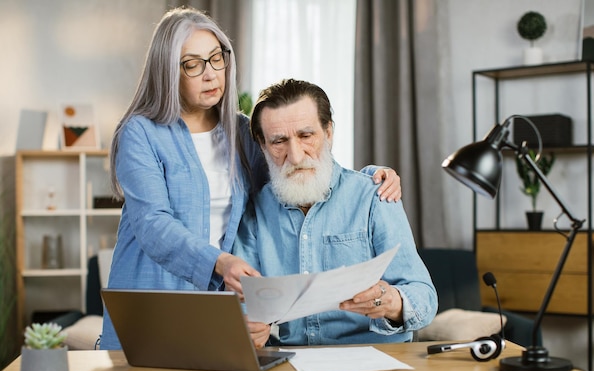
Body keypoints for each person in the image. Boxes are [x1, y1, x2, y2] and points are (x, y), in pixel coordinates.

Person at [100, 6, 402, 350]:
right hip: (152, 293)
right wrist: (218, 262)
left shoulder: (242, 131)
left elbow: (292, 174)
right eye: (192, 64)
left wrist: (367, 180)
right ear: (167, 70)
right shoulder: (140, 133)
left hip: (219, 301)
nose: (211, 74)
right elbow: (152, 223)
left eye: (216, 59)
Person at [233, 79, 437, 371]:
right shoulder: (253, 211)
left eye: (306, 135)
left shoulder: (375, 196)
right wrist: (248, 326)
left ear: (329, 133)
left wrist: (392, 301)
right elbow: (240, 301)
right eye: (279, 141)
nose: (295, 155)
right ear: (262, 145)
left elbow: (424, 297)